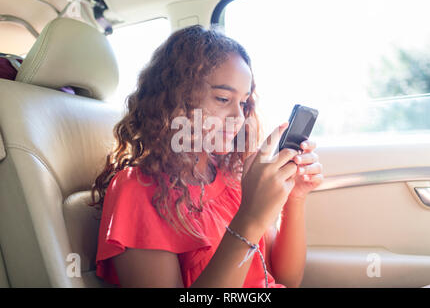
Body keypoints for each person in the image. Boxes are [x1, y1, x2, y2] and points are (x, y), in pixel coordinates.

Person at [91, 25, 323, 288]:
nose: (239, 117)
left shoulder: (232, 175)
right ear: (177, 98)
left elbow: (285, 280)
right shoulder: (137, 190)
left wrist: (295, 197)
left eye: (244, 102)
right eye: (223, 99)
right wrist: (250, 218)